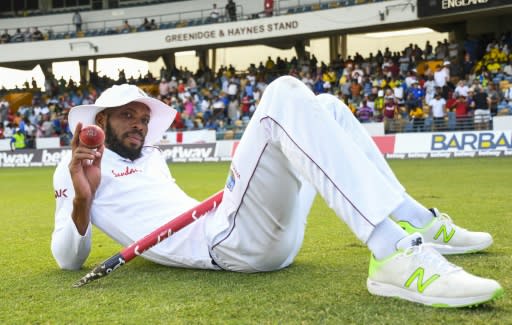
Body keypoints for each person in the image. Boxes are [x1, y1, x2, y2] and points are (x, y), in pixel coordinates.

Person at [52, 77, 503, 308]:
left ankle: (417, 220)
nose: (140, 123)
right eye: (129, 116)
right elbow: (69, 259)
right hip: (227, 247)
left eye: (144, 117)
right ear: (101, 119)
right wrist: (83, 199)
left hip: (240, 229)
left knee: (325, 107)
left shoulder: (151, 157)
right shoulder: (74, 168)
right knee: (282, 94)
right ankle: (392, 253)